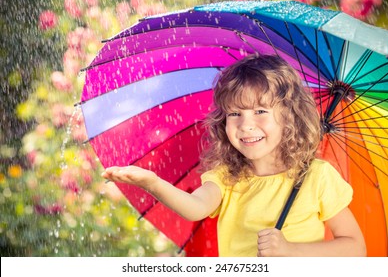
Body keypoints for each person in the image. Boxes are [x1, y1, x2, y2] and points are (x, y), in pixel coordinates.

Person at [102, 54, 366, 257]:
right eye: (235, 114)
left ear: (289, 118)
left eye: (260, 111)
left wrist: (291, 251)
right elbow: (195, 208)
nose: (245, 125)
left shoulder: (316, 176)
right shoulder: (227, 178)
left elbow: (355, 247)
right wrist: (152, 183)